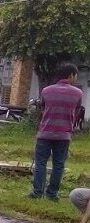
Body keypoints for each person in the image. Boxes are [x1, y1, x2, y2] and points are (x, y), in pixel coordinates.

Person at [29, 62, 83, 200]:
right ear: (71, 75)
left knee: (40, 162)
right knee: (58, 164)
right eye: (75, 75)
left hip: (45, 132)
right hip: (64, 134)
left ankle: (37, 192)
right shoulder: (78, 93)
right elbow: (76, 112)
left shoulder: (46, 90)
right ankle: (52, 194)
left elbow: (42, 109)